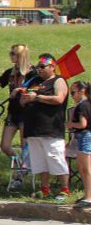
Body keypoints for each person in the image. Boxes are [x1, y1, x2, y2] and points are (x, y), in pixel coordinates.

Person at [20, 54, 70, 201]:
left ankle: (64, 189)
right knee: (40, 161)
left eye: (42, 67)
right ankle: (45, 189)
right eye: (38, 67)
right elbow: (23, 100)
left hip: (51, 129)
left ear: (52, 67)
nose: (39, 70)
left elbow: (59, 98)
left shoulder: (58, 80)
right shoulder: (34, 81)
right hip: (33, 129)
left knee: (56, 158)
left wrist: (36, 97)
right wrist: (23, 97)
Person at [0, 44, 36, 160]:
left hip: (26, 113)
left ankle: (22, 173)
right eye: (10, 53)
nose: (10, 56)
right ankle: (18, 162)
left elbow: (36, 91)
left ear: (21, 55)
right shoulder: (10, 72)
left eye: (13, 53)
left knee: (24, 145)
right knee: (5, 146)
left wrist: (19, 90)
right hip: (13, 112)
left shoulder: (33, 73)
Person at [66, 81, 91, 209]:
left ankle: (89, 197)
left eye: (73, 92)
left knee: (86, 169)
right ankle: (87, 195)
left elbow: (83, 124)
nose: (72, 95)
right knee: (82, 168)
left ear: (82, 91)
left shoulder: (82, 106)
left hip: (85, 136)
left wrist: (70, 124)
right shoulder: (86, 104)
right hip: (84, 137)